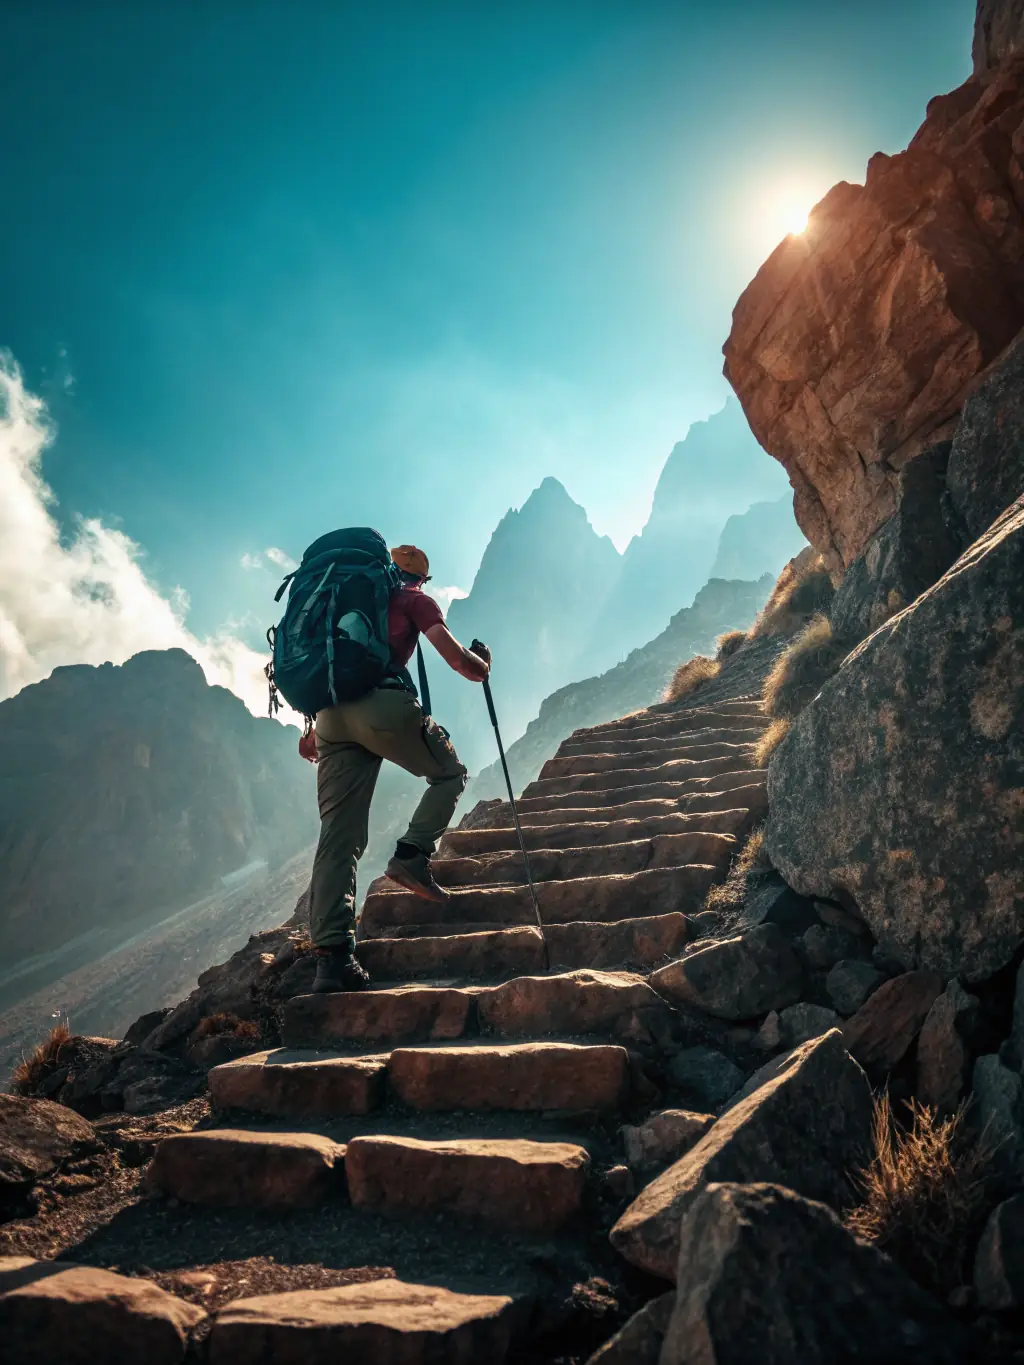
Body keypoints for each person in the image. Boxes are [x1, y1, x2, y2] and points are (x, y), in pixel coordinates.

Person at [306, 543, 491, 993]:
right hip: (383, 707)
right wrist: (482, 663)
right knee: (449, 774)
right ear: (421, 579)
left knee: (337, 839)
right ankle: (411, 857)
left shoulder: (343, 604)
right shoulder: (415, 600)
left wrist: (314, 734)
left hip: (330, 717)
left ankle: (332, 961)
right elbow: (460, 664)